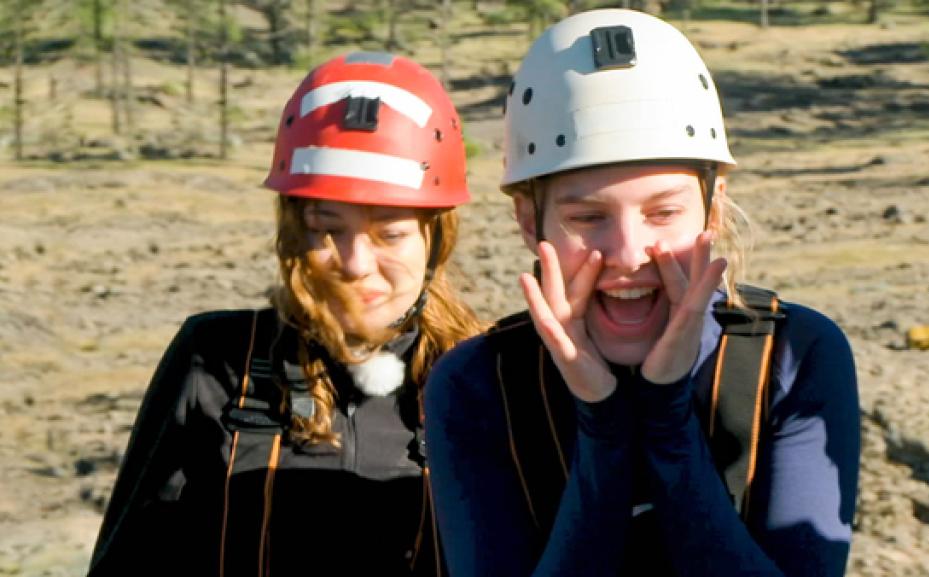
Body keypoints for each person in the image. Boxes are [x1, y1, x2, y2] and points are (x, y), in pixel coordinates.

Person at [425, 9, 860, 577]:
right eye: (587, 216)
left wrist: (665, 413)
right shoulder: (480, 383)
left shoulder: (792, 358)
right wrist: (601, 422)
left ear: (714, 206)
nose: (629, 254)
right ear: (530, 220)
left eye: (664, 212)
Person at [88, 53, 483, 577]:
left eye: (390, 233)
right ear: (294, 231)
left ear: (436, 239)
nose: (355, 264)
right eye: (326, 227)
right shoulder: (218, 361)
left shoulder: (484, 379)